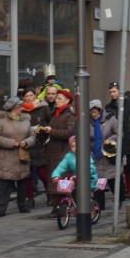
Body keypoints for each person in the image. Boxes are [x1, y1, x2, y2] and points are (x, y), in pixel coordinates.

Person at [0, 97, 36, 216]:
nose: (21, 109)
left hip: (22, 156)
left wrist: (26, 142)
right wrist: (12, 143)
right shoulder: (1, 120)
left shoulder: (26, 120)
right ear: (12, 108)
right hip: (6, 158)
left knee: (22, 183)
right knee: (5, 184)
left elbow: (32, 136)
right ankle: (1, 209)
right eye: (19, 107)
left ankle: (23, 206)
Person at [43, 89, 77, 217]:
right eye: (56, 98)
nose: (56, 100)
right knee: (56, 180)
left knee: (63, 181)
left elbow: (68, 132)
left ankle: (62, 208)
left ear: (67, 101)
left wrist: (51, 131)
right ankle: (58, 207)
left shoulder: (69, 116)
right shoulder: (55, 114)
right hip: (53, 151)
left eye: (59, 98)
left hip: (63, 152)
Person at [106, 81, 130, 198]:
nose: (112, 94)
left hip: (129, 139)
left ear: (120, 91)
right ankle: (120, 193)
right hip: (115, 140)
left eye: (114, 91)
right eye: (110, 92)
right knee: (117, 168)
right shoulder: (109, 107)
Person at [89, 99, 119, 210]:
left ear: (100, 110)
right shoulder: (89, 123)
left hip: (108, 153)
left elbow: (118, 133)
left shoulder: (111, 120)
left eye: (95, 111)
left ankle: (119, 199)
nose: (93, 114)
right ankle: (99, 206)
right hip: (96, 155)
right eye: (91, 112)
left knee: (112, 178)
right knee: (98, 181)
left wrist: (109, 140)